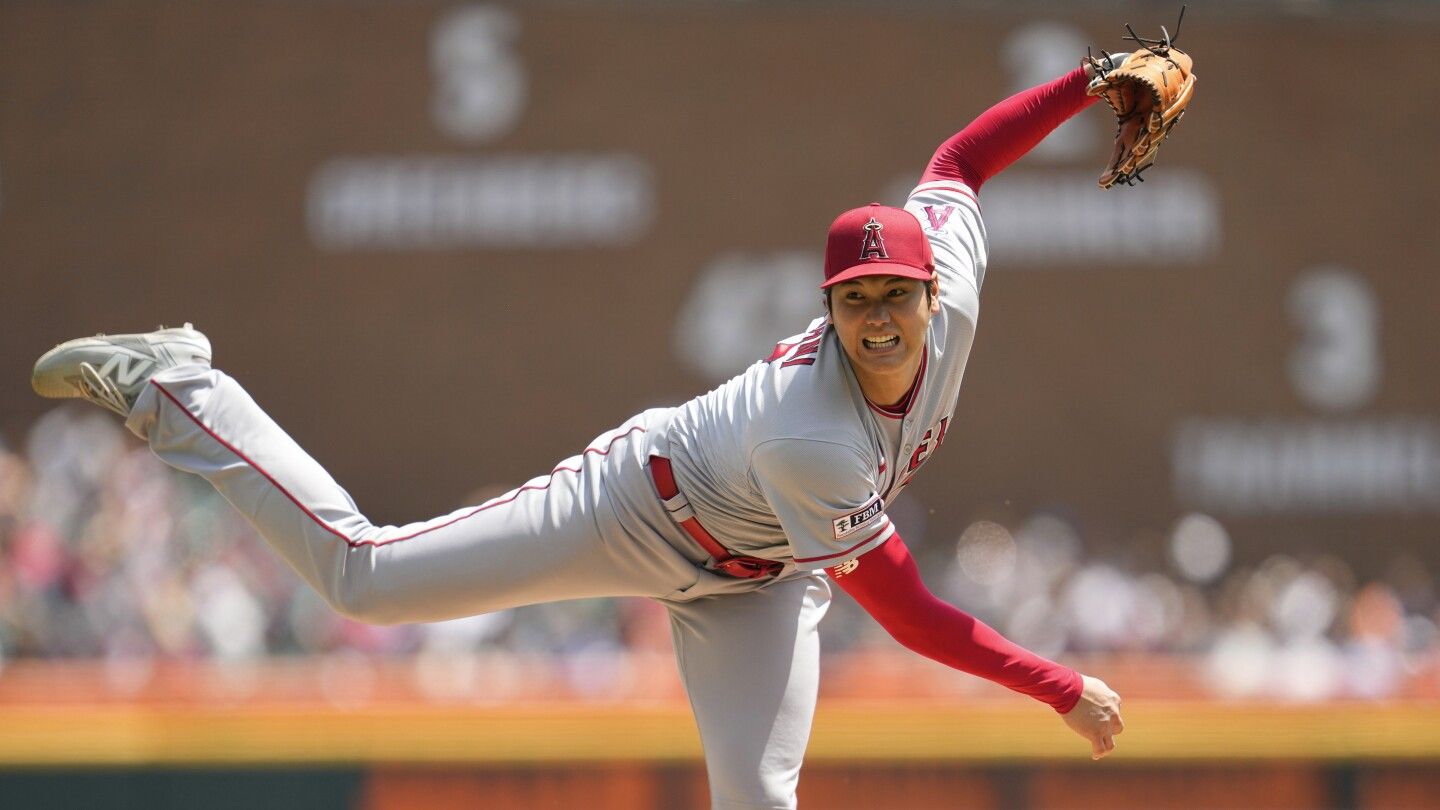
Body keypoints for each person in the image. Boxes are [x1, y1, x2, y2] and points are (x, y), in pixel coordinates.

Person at [33, 54, 1126, 810]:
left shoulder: (957, 279)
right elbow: (911, 614)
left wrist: (1089, 82)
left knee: (758, 798)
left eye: (896, 295)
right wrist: (1060, 686)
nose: (879, 318)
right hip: (638, 510)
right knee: (366, 580)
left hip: (768, 568)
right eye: (856, 301)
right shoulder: (812, 431)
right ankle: (179, 386)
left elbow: (959, 163)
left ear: (935, 294)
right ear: (829, 307)